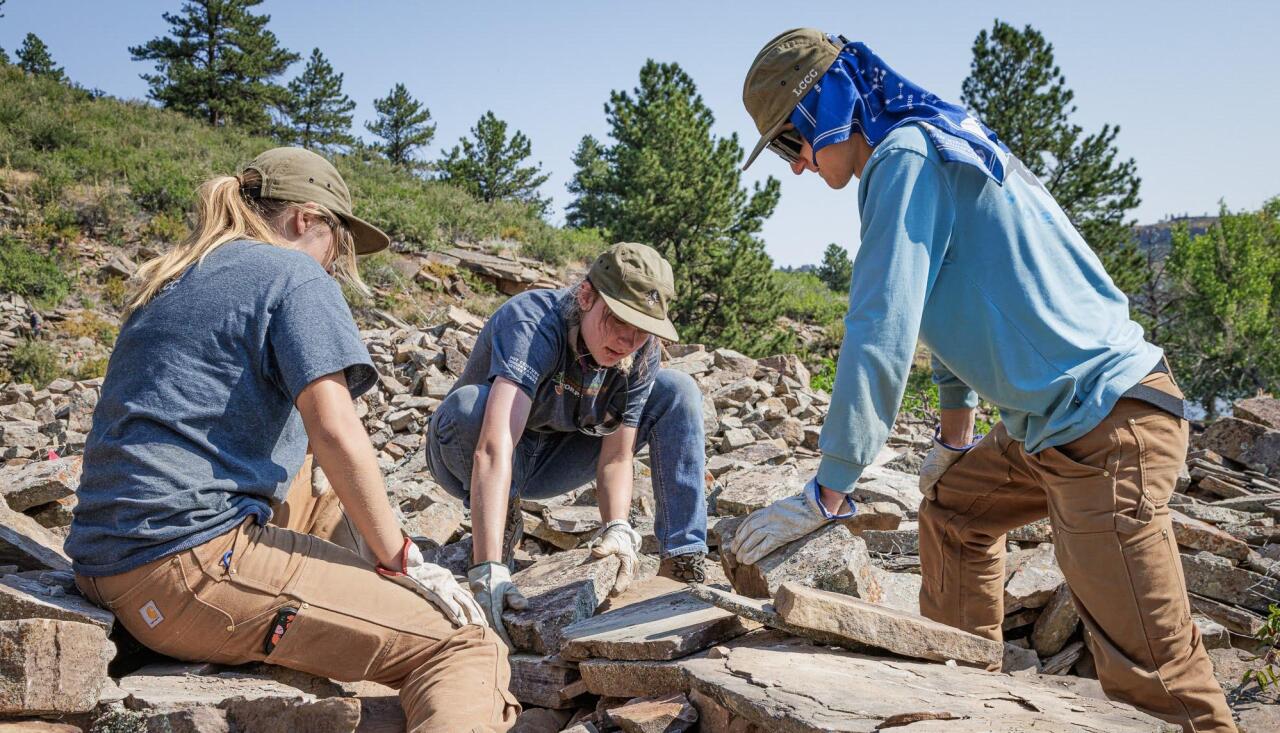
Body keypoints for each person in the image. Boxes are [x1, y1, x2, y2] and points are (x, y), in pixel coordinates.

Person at [728, 29, 1235, 733]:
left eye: (790, 141)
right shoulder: (930, 141)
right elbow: (955, 300)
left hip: (1106, 431)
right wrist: (957, 434)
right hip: (1067, 419)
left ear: (828, 106)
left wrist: (830, 487)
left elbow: (882, 325)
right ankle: (970, 703)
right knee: (954, 509)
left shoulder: (905, 159)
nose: (798, 165)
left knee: (1161, 689)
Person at [66, 147, 518, 732]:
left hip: (104, 561)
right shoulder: (292, 271)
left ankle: (368, 614)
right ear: (306, 219)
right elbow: (332, 428)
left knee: (321, 495)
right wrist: (402, 559)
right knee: (465, 645)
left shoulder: (175, 273)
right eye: (340, 241)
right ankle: (412, 635)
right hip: (186, 569)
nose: (336, 261)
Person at [426, 242, 709, 646]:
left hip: (557, 458)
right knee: (471, 406)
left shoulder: (640, 349)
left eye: (641, 329)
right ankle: (499, 528)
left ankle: (683, 561)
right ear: (586, 296)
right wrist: (487, 567)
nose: (628, 340)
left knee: (678, 390)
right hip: (473, 446)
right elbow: (494, 446)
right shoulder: (532, 321)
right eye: (617, 321)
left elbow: (616, 456)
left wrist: (617, 527)